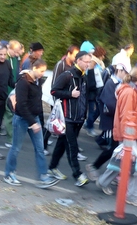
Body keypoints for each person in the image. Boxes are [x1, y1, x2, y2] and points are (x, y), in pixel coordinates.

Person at [4, 59, 59, 188]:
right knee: (15, 148)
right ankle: (9, 173)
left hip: (33, 118)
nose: (42, 73)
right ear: (34, 68)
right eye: (41, 71)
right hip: (22, 119)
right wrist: (32, 122)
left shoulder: (37, 80)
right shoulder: (23, 82)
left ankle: (43, 176)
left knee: (40, 149)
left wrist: (37, 118)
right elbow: (21, 106)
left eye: (44, 71)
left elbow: (36, 100)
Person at [96, 67, 137, 207]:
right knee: (134, 165)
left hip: (125, 133)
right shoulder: (130, 92)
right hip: (128, 134)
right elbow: (127, 116)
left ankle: (103, 181)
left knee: (122, 162)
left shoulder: (126, 90)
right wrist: (129, 136)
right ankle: (132, 196)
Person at [48, 51, 96, 187]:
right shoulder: (67, 75)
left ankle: (52, 167)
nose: (88, 64)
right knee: (72, 146)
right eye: (86, 62)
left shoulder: (84, 77)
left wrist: (84, 115)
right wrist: (70, 94)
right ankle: (78, 175)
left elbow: (87, 95)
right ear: (78, 61)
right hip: (67, 118)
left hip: (79, 118)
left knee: (62, 143)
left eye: (89, 62)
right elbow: (54, 91)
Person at [86, 59, 130, 192]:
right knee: (113, 149)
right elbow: (110, 104)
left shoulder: (119, 83)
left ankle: (107, 174)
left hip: (116, 121)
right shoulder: (111, 83)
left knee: (115, 149)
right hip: (111, 121)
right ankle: (96, 169)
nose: (126, 75)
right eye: (125, 72)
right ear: (120, 70)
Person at [2, 40, 22, 147]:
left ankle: (11, 138)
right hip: (4, 90)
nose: (17, 54)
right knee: (6, 114)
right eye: (16, 51)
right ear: (10, 48)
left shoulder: (15, 59)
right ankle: (10, 139)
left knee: (10, 114)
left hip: (12, 90)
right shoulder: (5, 59)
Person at [84, 46, 107, 137]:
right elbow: (90, 75)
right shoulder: (93, 62)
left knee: (95, 109)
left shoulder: (97, 61)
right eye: (103, 55)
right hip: (92, 89)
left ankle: (88, 124)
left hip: (95, 89)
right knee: (93, 109)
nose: (103, 57)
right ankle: (89, 127)